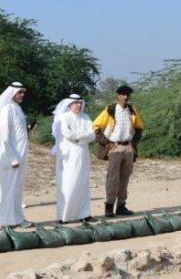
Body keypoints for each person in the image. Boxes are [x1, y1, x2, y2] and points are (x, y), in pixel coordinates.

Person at [93, 85, 144, 218]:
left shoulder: (132, 110)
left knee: (125, 178)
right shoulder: (110, 109)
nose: (125, 97)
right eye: (123, 94)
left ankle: (121, 206)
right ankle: (109, 207)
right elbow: (96, 127)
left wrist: (133, 144)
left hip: (127, 147)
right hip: (114, 147)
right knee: (112, 177)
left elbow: (139, 128)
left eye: (127, 94)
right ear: (118, 96)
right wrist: (107, 143)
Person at [0, 82, 34, 228]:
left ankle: (18, 218)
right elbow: (5, 137)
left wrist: (29, 131)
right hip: (10, 158)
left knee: (17, 189)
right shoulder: (6, 109)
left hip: (20, 156)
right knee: (9, 189)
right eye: (19, 92)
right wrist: (13, 158)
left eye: (23, 93)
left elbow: (19, 135)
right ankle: (8, 220)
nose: (22, 95)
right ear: (12, 93)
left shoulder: (17, 108)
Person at [52, 94, 95, 223]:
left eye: (80, 103)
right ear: (70, 104)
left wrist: (78, 138)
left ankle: (84, 214)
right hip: (69, 156)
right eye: (76, 103)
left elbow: (92, 135)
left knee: (83, 184)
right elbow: (67, 133)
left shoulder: (86, 117)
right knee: (68, 184)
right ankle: (64, 216)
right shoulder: (64, 118)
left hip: (83, 154)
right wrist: (82, 137)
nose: (79, 105)